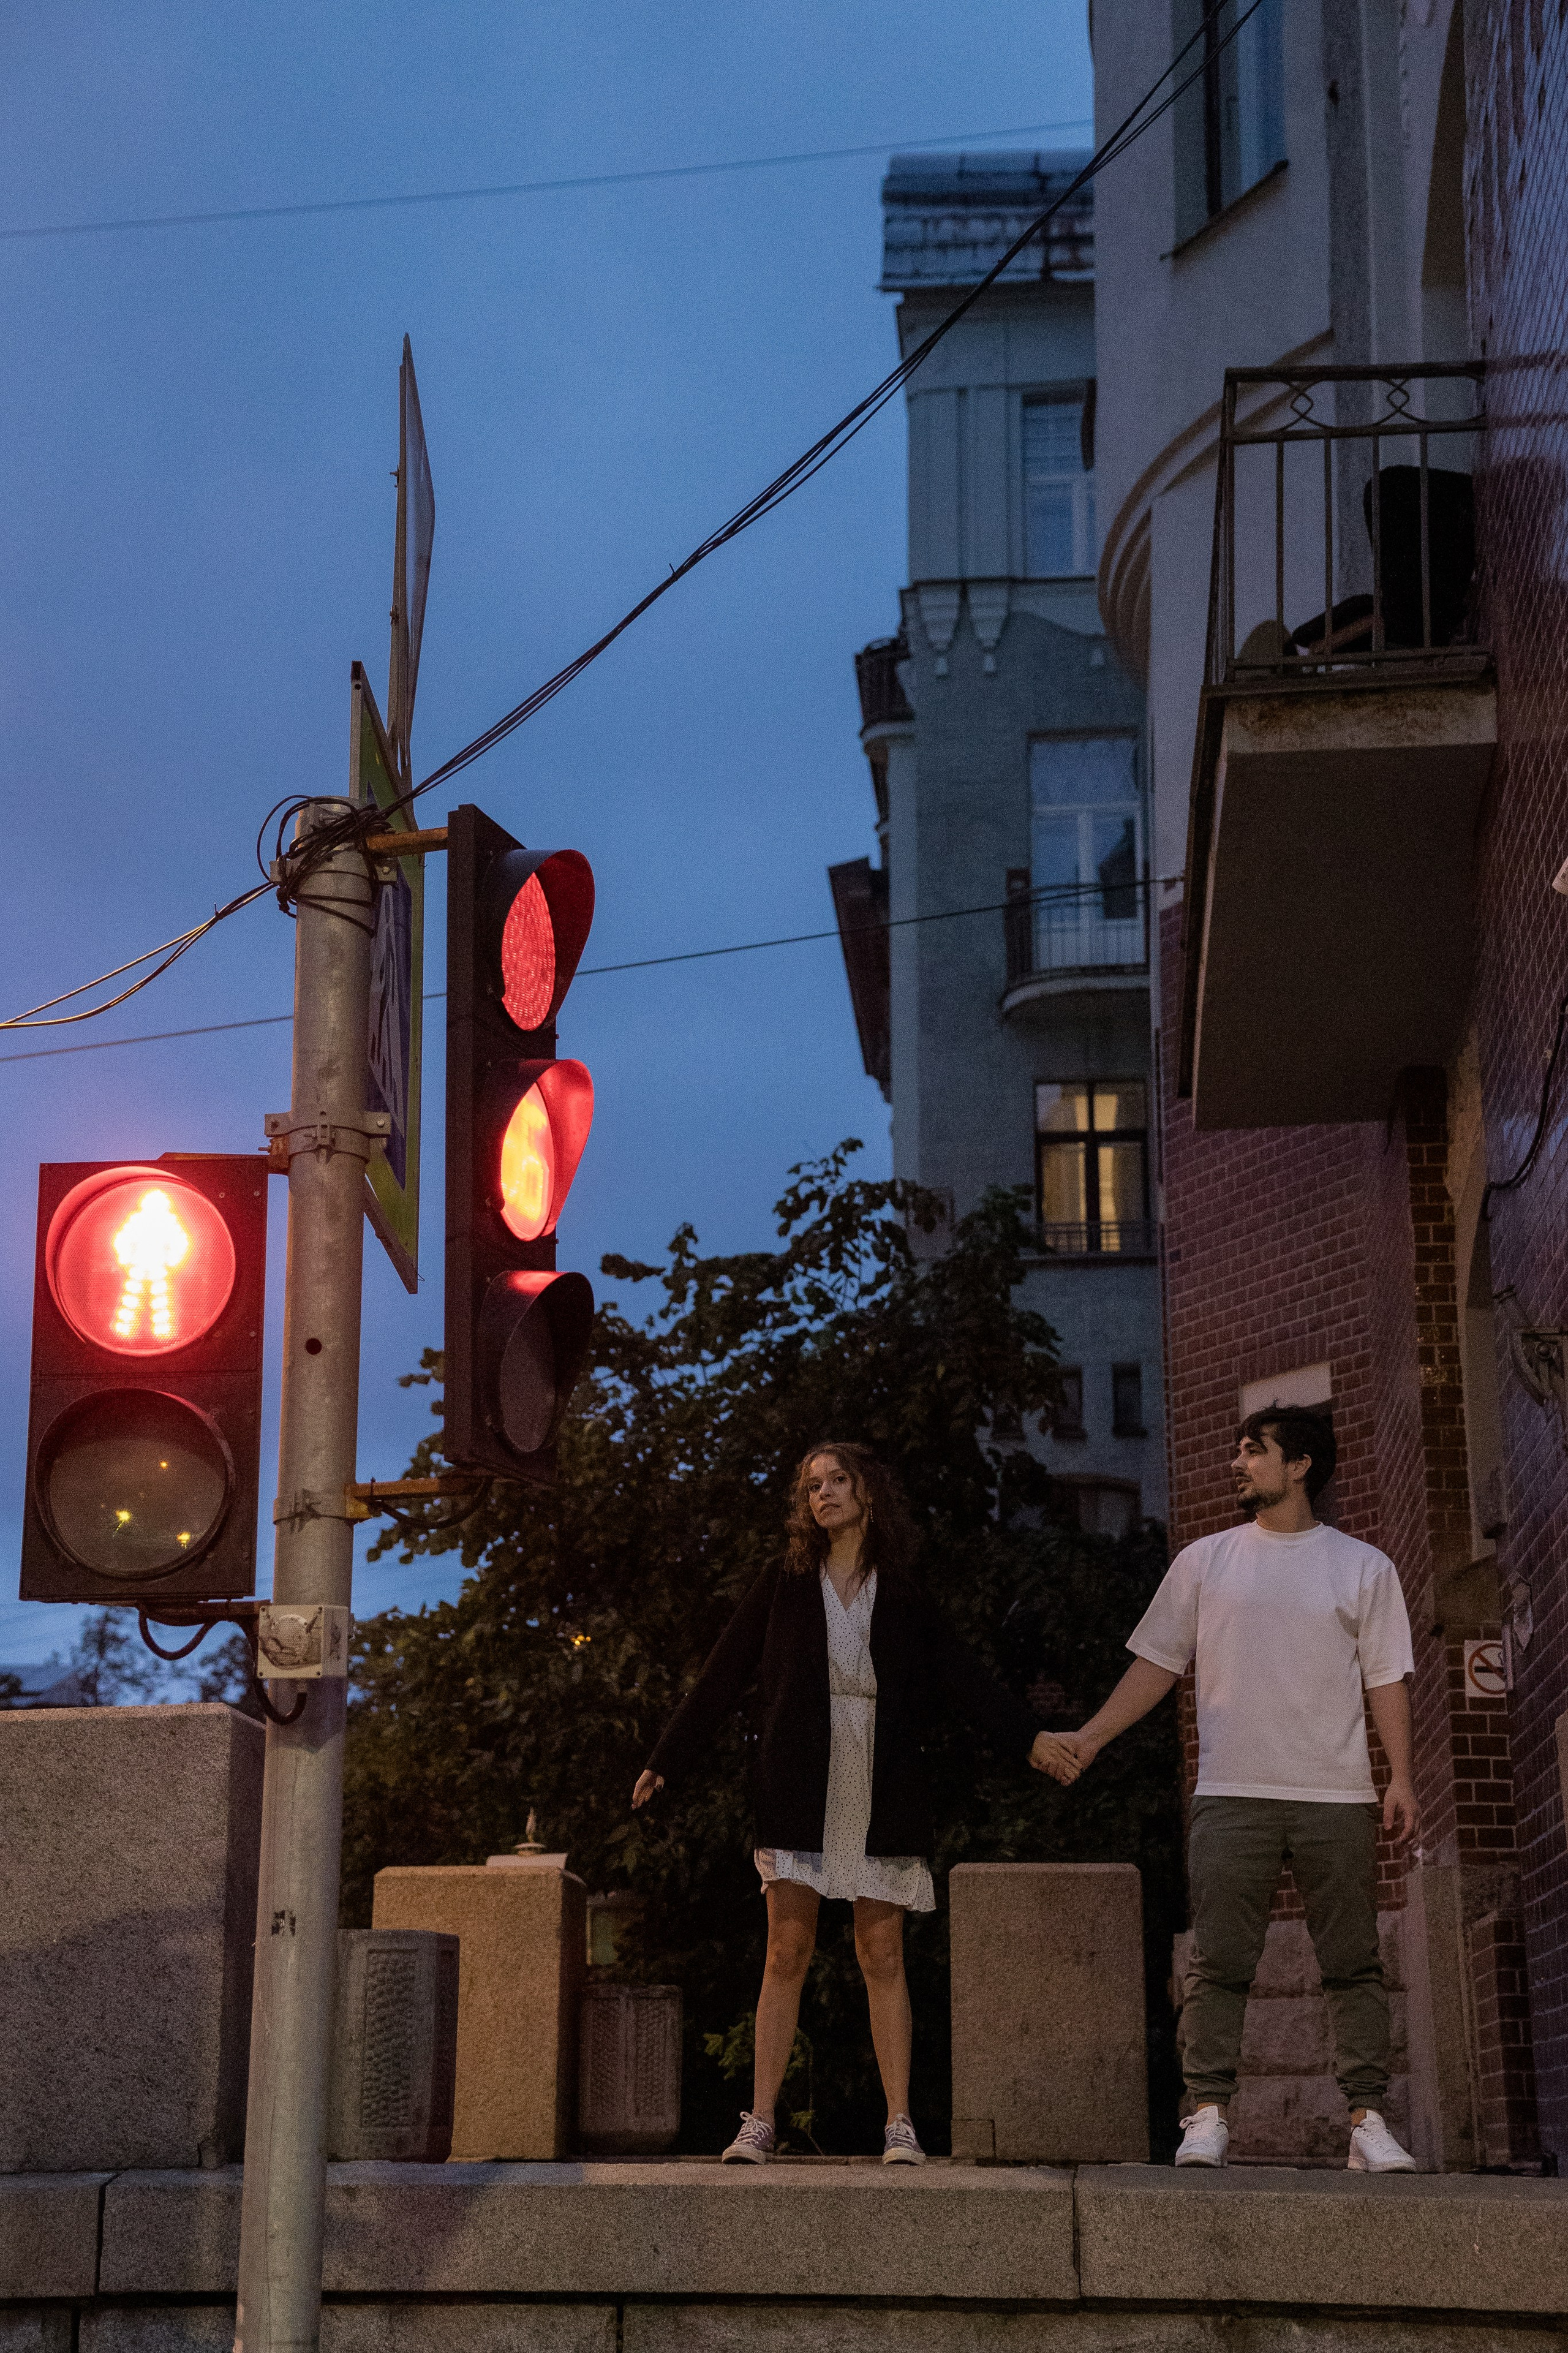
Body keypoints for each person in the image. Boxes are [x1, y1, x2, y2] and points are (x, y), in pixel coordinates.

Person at [632, 1440, 1080, 2166]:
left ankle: (898, 2122)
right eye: (813, 1485)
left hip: (883, 1779)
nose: (824, 1494)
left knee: (880, 1951)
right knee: (787, 1948)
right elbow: (722, 1670)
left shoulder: (901, 1588)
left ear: (868, 1492)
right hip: (799, 1779)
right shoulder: (783, 1582)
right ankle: (760, 2120)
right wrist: (667, 1758)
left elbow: (964, 1675)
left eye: (838, 1481)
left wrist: (1029, 1741)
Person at [1060, 1404, 1420, 2174]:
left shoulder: (1363, 1566)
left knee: (1352, 1962)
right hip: (1230, 1793)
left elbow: (1385, 1676)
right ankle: (1208, 2115)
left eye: (1254, 1451)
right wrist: (1090, 1736)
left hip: (1337, 1793)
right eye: (1237, 1450)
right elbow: (1157, 1664)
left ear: (1300, 1466)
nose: (1237, 1461)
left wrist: (1402, 1777)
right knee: (1219, 1962)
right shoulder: (1204, 1561)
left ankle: (1366, 2119)